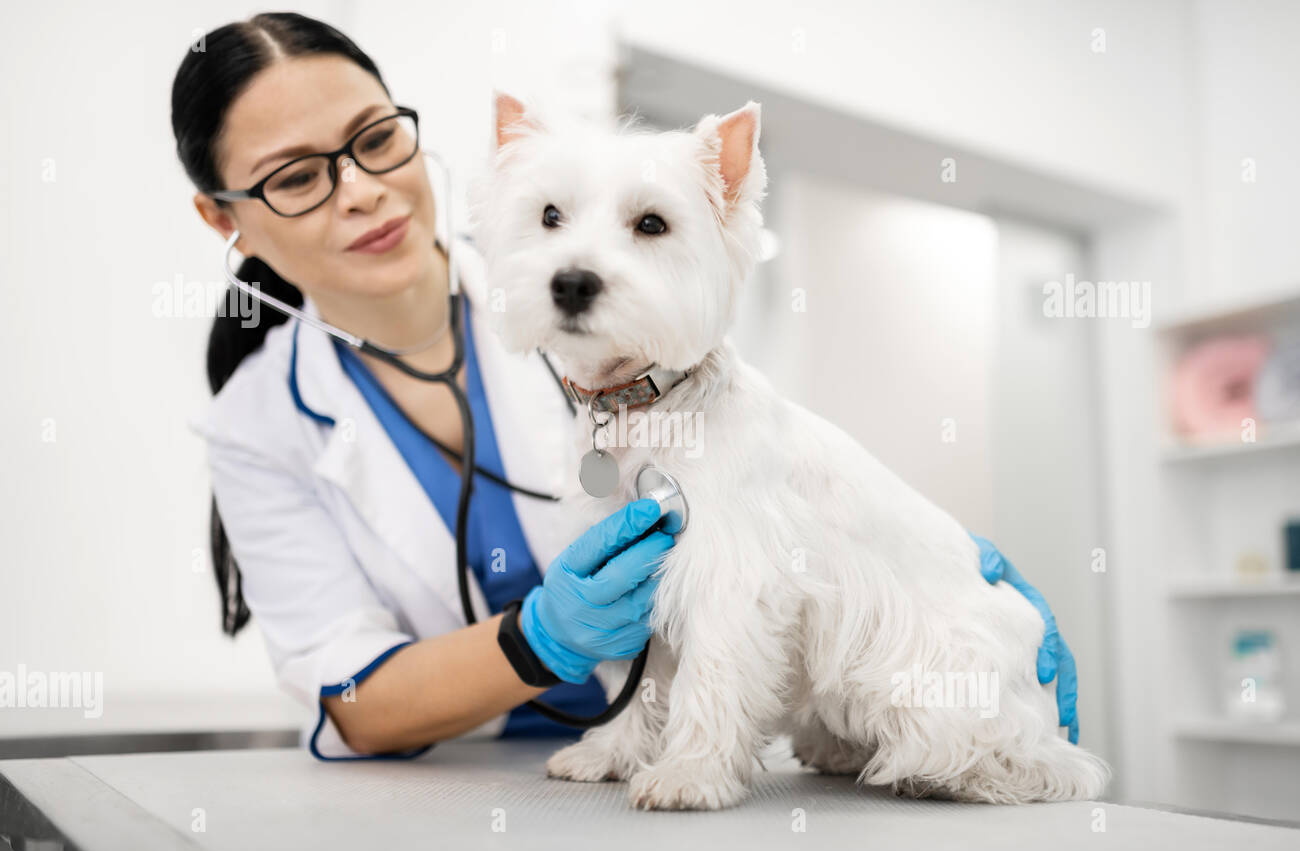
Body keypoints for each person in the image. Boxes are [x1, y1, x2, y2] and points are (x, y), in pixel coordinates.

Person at [173, 12, 1080, 761]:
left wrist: (939, 574)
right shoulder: (254, 424)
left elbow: (790, 502)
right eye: (296, 177)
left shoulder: (626, 332)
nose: (364, 189)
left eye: (375, 140)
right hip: (462, 779)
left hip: (687, 773)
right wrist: (540, 638)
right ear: (225, 218)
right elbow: (350, 695)